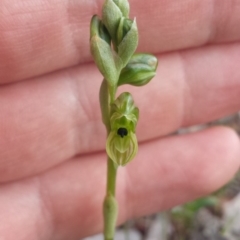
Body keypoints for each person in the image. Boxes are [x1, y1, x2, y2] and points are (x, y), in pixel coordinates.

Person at [0, 0, 240, 239]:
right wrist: (119, 123)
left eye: (126, 124)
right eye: (122, 124)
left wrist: (122, 122)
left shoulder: (121, 109)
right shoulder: (114, 105)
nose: (124, 128)